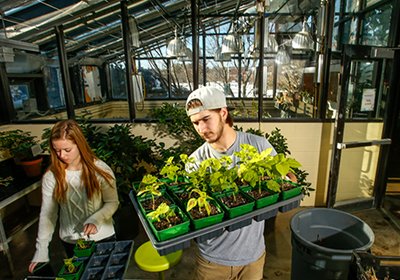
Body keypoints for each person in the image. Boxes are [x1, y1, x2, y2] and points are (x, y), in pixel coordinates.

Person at [185, 86, 296, 280]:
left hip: (253, 257)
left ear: (223, 113)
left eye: (205, 119)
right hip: (212, 260)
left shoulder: (258, 146)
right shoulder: (196, 161)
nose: (201, 129)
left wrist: (283, 182)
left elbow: (289, 177)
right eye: (195, 123)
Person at [28, 119, 119, 274]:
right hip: (71, 241)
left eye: (67, 150)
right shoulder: (52, 176)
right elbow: (48, 214)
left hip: (103, 238)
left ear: (80, 145)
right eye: (57, 150)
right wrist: (41, 249)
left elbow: (112, 202)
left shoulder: (101, 170)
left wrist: (95, 219)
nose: (61, 155)